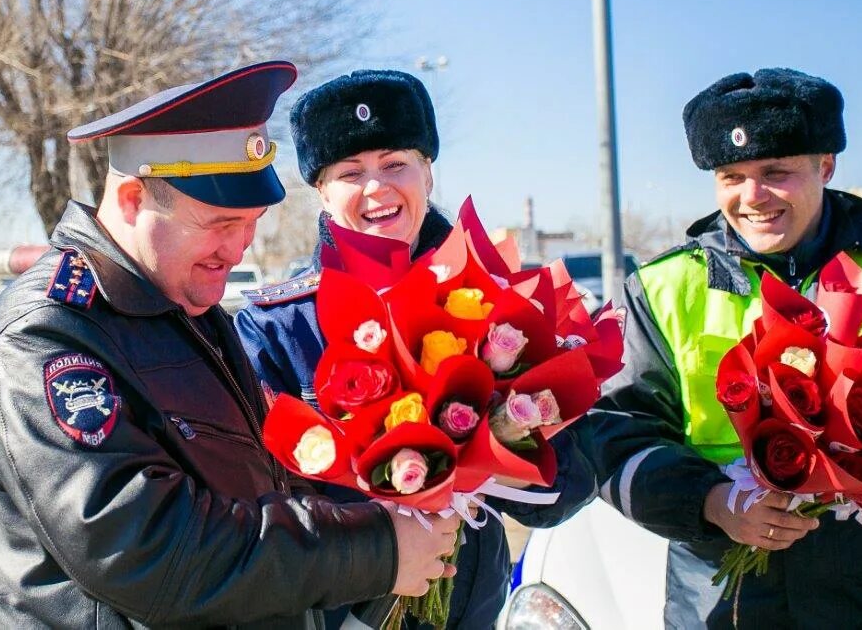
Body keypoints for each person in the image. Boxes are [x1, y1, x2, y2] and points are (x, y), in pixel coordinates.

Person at [0, 60, 461, 629]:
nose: (239, 248)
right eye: (221, 223)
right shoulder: (46, 336)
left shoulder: (188, 310)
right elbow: (142, 552)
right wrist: (377, 551)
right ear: (130, 200)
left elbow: (263, 491)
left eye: (251, 223)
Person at [236, 69, 597, 630]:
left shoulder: (499, 311)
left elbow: (571, 483)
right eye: (350, 172)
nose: (377, 188)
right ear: (322, 192)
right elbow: (253, 502)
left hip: (470, 604)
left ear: (428, 173)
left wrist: (504, 451)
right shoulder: (277, 328)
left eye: (396, 163)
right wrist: (384, 539)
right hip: (336, 609)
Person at [592, 68, 862, 627]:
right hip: (720, 598)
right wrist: (711, 503)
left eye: (776, 172)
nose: (753, 197)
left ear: (825, 166)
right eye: (731, 176)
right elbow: (614, 432)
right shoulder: (663, 288)